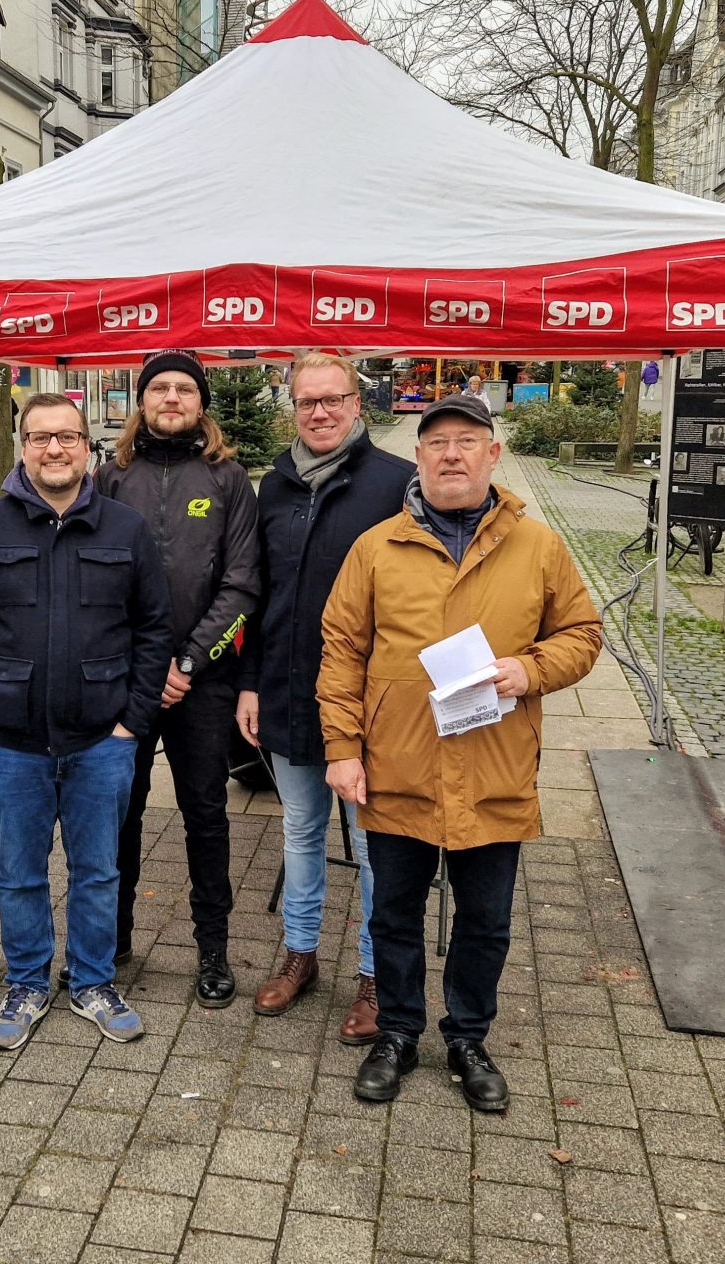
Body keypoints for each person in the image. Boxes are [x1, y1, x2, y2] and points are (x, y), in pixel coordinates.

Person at [318, 391, 601, 1114]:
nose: (451, 454)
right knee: (394, 914)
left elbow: (582, 633)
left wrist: (528, 671)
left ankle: (468, 1036)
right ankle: (401, 1032)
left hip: (494, 767)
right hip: (397, 767)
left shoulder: (537, 546)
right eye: (437, 442)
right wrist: (343, 749)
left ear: (492, 455)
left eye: (467, 442)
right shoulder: (376, 547)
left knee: (486, 920)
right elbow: (342, 653)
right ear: (418, 457)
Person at [0, 394, 171, 1051]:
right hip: (10, 744)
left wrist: (133, 720)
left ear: (87, 447)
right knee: (19, 873)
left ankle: (93, 980)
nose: (55, 450)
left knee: (97, 871)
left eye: (67, 437)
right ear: (22, 447)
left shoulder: (124, 529)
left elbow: (155, 629)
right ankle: (30, 983)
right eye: (40, 438)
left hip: (103, 740)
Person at [236, 352, 413, 1042]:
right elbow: (258, 595)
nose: (320, 412)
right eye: (308, 402)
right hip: (283, 689)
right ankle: (301, 955)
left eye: (333, 399)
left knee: (373, 846)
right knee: (301, 831)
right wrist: (248, 681)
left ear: (356, 404)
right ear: (292, 407)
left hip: (367, 705)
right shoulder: (273, 488)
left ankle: (374, 976)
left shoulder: (396, 483)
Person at [94, 350, 261, 1008]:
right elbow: (94, 580)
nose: (170, 397)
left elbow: (244, 585)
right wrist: (142, 666)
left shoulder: (228, 480)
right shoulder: (110, 477)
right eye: (158, 387)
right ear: (141, 400)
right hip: (126, 681)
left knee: (206, 816)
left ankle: (213, 949)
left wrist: (187, 662)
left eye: (183, 388)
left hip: (203, 681)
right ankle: (112, 941)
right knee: (119, 814)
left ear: (201, 402)